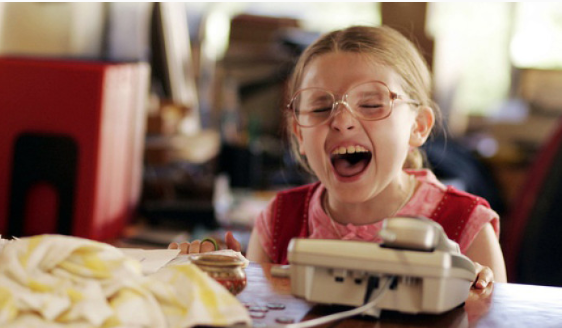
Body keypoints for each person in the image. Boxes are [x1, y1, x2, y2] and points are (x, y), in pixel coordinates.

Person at [170, 25, 507, 289]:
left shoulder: (467, 228)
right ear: (299, 134)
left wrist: (472, 299)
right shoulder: (278, 223)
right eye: (319, 107)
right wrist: (219, 288)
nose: (342, 120)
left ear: (418, 127)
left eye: (372, 104)